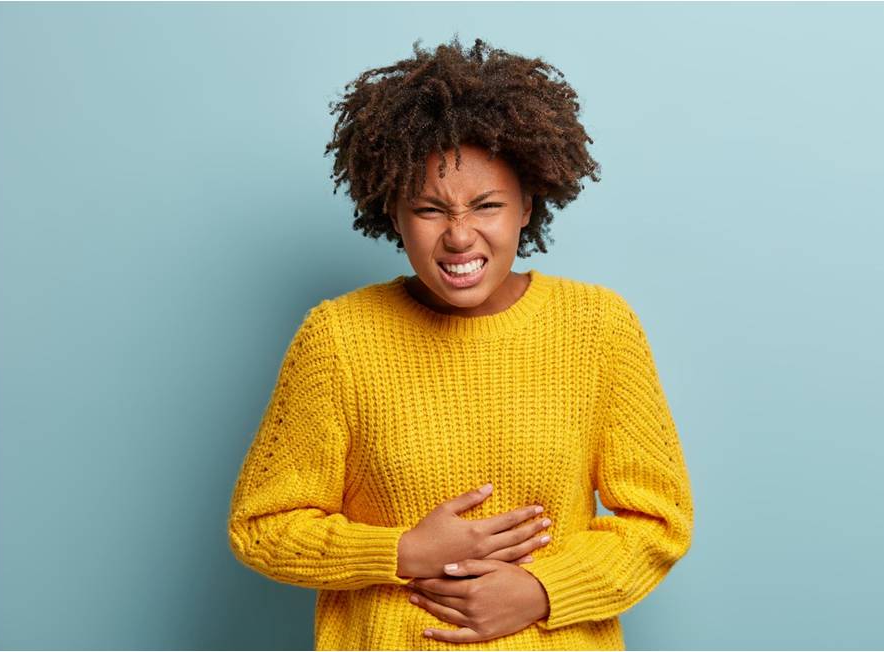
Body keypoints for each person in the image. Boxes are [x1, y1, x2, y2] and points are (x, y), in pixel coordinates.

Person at [227, 35, 694, 651]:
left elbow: (658, 521)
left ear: (528, 205)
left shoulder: (599, 327)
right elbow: (262, 526)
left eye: (487, 205)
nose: (459, 235)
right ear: (391, 212)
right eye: (428, 208)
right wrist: (402, 551)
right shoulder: (338, 338)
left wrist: (542, 591)